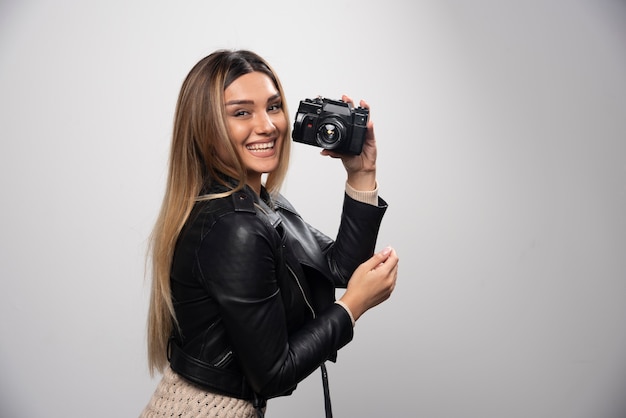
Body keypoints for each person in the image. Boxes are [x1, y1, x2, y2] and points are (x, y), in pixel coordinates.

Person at [140, 49, 399, 418]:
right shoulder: (235, 226)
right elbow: (274, 374)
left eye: (274, 107)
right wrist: (352, 307)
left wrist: (361, 173)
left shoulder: (260, 203)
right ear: (205, 126)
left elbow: (339, 268)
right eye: (242, 112)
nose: (268, 125)